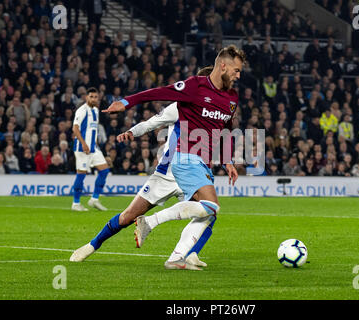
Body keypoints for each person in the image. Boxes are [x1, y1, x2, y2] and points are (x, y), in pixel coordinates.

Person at [74, 45, 244, 270]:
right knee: (128, 217)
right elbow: (152, 116)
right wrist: (128, 117)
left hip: (196, 167)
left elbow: (225, 129)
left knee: (209, 214)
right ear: (221, 67)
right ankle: (92, 245)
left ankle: (186, 255)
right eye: (236, 70)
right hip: (170, 170)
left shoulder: (231, 99)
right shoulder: (186, 97)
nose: (238, 76)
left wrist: (227, 160)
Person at [71, 87, 110, 211]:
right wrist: (83, 143)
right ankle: (76, 203)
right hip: (82, 148)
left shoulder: (96, 111)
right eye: (91, 96)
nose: (93, 99)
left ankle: (94, 199)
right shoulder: (81, 110)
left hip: (93, 148)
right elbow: (75, 129)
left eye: (95, 97)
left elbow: (93, 129)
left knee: (104, 171)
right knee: (81, 175)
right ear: (86, 97)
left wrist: (96, 143)